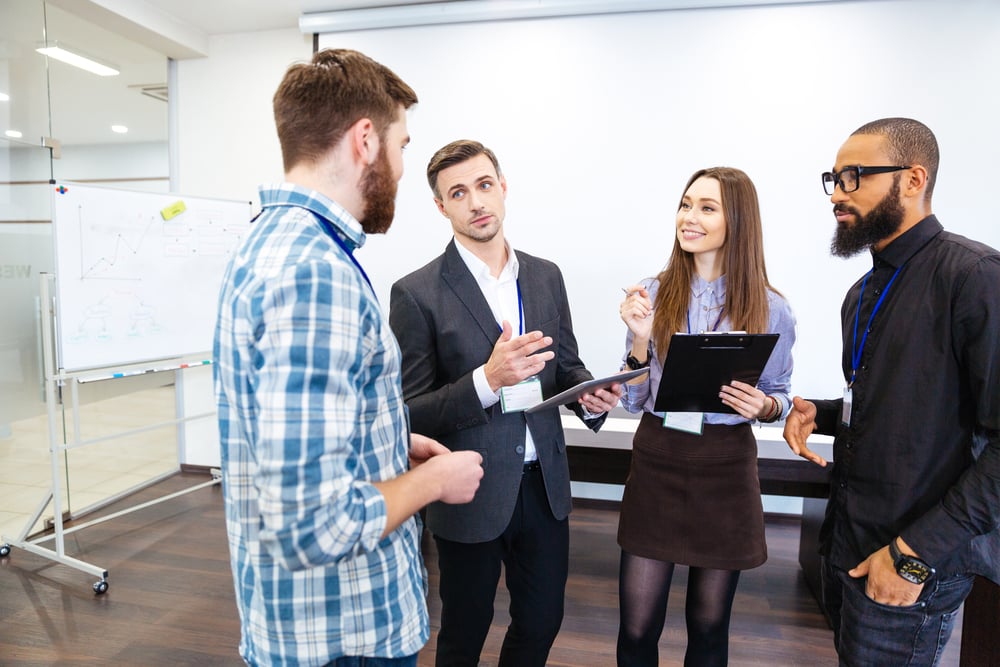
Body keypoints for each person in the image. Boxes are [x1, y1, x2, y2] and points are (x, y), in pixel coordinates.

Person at [213, 49, 484, 667]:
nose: (400, 162)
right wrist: (432, 481)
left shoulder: (269, 242)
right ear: (366, 139)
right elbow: (313, 522)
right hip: (343, 636)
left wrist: (389, 439)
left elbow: (289, 437)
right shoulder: (316, 275)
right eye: (402, 144)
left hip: (298, 625)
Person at [388, 139, 622, 667]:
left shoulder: (545, 275)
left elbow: (566, 364)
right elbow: (409, 411)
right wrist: (487, 380)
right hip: (468, 489)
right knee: (463, 634)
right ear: (441, 207)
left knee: (541, 624)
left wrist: (591, 394)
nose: (476, 201)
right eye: (459, 192)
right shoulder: (417, 292)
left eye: (484, 185)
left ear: (503, 188)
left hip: (544, 487)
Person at [783, 117, 1000, 665]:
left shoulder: (974, 276)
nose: (837, 194)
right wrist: (822, 412)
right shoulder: (860, 294)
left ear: (913, 178)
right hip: (847, 546)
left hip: (911, 563)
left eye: (854, 177)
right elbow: (895, 408)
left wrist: (912, 555)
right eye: (832, 178)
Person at [616, 166, 796, 666]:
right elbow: (632, 400)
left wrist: (764, 406)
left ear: (737, 221)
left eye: (706, 207)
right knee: (635, 628)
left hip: (725, 465)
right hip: (658, 457)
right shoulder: (651, 292)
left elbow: (779, 396)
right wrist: (637, 337)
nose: (688, 217)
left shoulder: (771, 307)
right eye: (685, 204)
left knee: (710, 626)